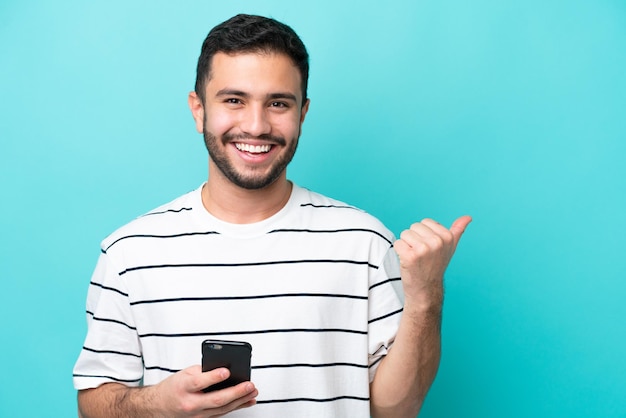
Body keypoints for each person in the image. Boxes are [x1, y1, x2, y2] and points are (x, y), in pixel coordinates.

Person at [73, 13, 471, 418]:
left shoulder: (364, 242)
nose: (256, 125)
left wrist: (426, 296)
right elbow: (94, 402)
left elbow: (395, 411)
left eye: (278, 103)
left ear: (302, 113)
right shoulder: (129, 252)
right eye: (234, 100)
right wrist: (157, 404)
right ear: (198, 110)